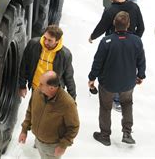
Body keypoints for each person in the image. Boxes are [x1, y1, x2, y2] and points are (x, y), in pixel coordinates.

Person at [88, 11, 146, 146]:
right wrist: (141, 75)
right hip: (128, 82)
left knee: (105, 107)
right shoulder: (136, 41)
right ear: (129, 25)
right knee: (127, 104)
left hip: (108, 82)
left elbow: (98, 61)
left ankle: (104, 135)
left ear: (114, 23)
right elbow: (141, 60)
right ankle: (127, 133)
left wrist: (92, 78)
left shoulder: (106, 41)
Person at [18, 71, 79, 158]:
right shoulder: (37, 92)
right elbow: (30, 111)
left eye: (42, 84)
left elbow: (73, 127)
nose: (39, 86)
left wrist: (63, 145)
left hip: (52, 147)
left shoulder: (67, 104)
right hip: (38, 140)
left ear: (51, 88)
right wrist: (24, 130)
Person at [19, 25, 76, 100]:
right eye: (45, 38)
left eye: (50, 40)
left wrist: (72, 99)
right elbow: (24, 66)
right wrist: (22, 86)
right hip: (36, 89)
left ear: (57, 41)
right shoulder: (33, 45)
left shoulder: (65, 55)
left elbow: (69, 78)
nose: (45, 42)